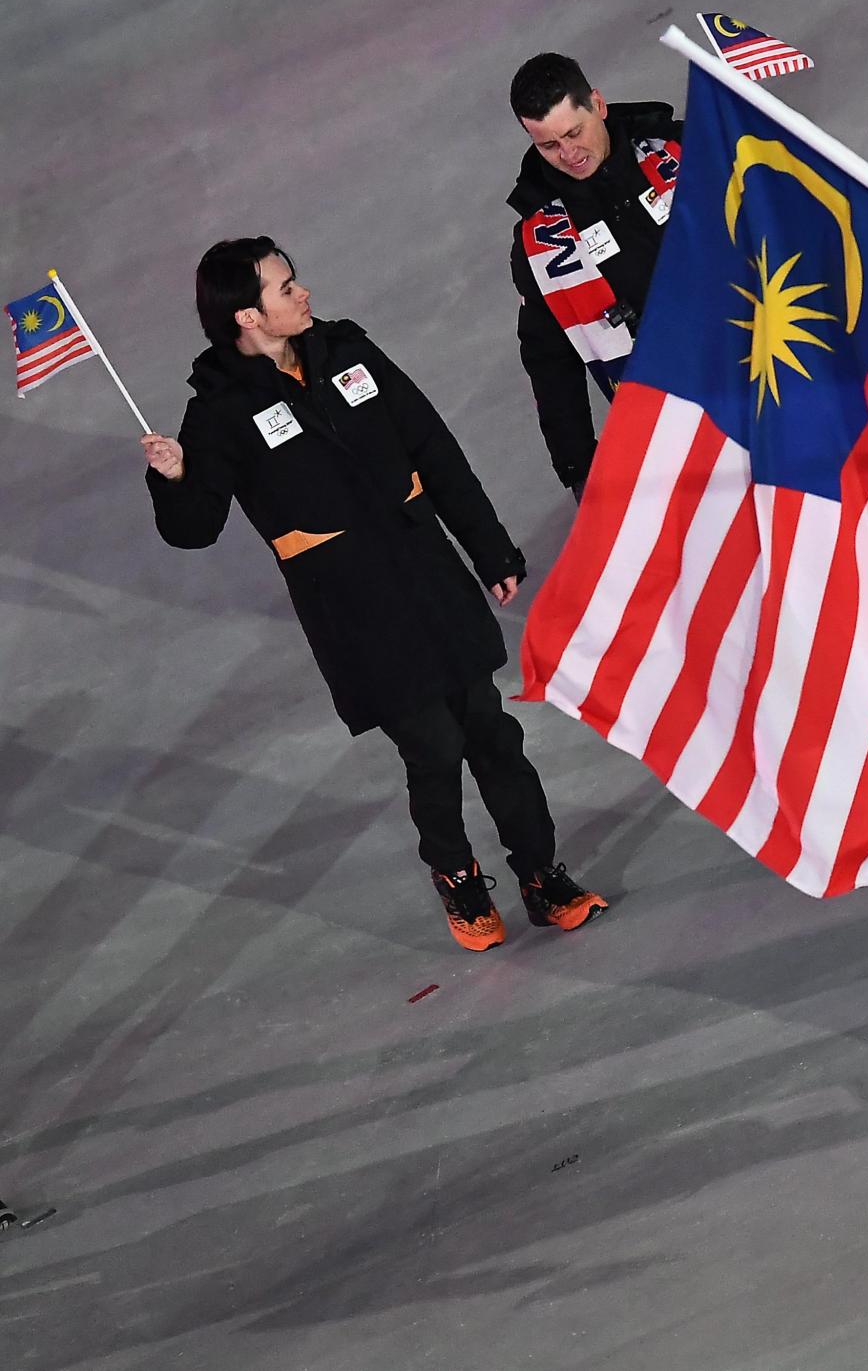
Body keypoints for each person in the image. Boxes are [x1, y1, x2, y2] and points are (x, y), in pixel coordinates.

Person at [140, 237, 609, 952]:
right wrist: (173, 476)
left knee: (489, 726)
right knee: (432, 741)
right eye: (283, 288)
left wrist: (489, 548)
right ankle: (457, 876)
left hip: (426, 570)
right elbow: (195, 527)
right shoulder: (221, 411)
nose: (302, 294)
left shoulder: (346, 352)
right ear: (247, 317)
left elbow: (432, 446)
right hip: (354, 607)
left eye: (295, 280)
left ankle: (542, 873)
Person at [507, 52, 682, 498]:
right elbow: (550, 360)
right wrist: (579, 467)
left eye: (574, 132)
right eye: (548, 145)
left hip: (770, 374)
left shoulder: (685, 151)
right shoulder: (539, 239)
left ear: (598, 105)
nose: (569, 154)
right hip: (671, 425)